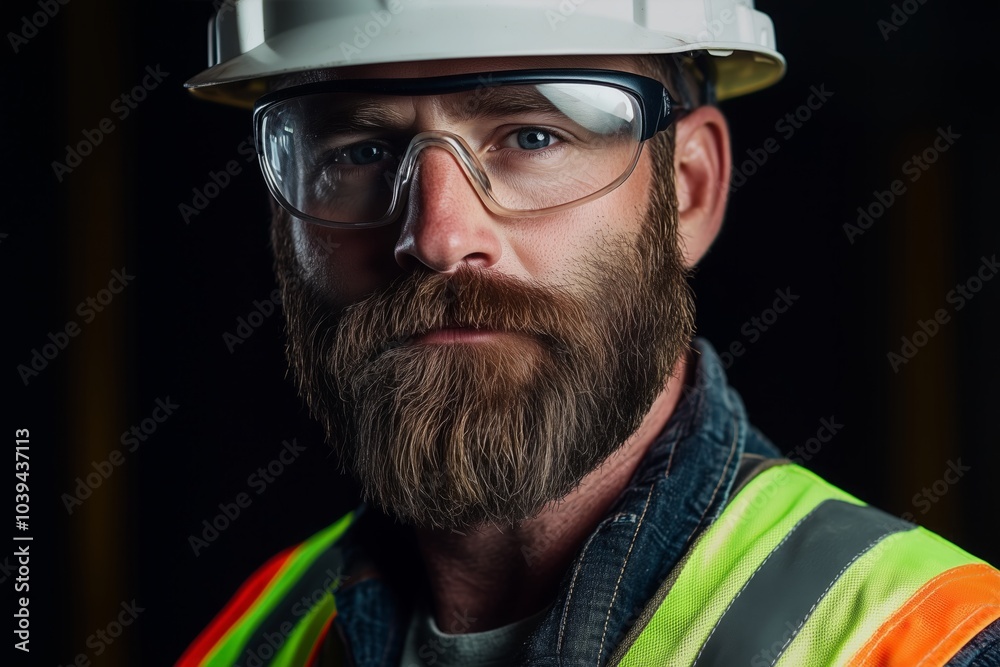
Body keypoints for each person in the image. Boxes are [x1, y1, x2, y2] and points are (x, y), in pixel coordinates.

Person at [176, 1, 1000, 665]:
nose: (435, 235)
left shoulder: (928, 641)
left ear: (687, 189)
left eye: (533, 136)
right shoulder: (258, 632)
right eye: (358, 151)